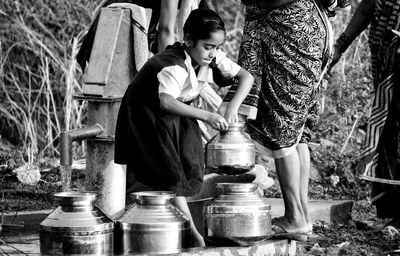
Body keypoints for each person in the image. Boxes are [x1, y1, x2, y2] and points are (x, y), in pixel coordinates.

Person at [114, 9, 254, 247]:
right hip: (145, 113)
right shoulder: (173, 64)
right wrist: (207, 116)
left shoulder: (210, 56)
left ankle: (180, 222)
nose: (213, 53)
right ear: (189, 40)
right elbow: (165, 101)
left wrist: (231, 110)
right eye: (208, 46)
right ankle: (190, 233)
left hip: (176, 111)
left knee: (191, 157)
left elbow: (246, 77)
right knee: (168, 170)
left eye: (217, 47)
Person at [222, 0, 333, 241]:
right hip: (306, 29)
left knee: (282, 129)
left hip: (290, 32)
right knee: (297, 133)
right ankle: (302, 216)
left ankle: (295, 217)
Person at [328, 0, 400, 227]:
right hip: (386, 58)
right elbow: (369, 5)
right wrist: (340, 45)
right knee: (390, 130)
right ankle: (395, 212)